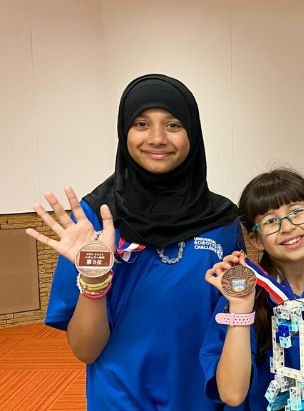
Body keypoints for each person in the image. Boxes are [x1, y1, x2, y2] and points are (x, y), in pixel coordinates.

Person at [25, 74, 241, 410]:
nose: (156, 138)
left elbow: (231, 323)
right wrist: (94, 278)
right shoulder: (94, 219)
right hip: (119, 397)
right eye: (141, 123)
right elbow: (85, 350)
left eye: (173, 125)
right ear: (124, 131)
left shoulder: (222, 222)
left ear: (193, 135)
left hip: (199, 395)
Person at [200, 168, 304, 411]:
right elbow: (232, 394)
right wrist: (241, 307)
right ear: (256, 239)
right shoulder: (241, 300)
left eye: (296, 212)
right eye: (270, 221)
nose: (287, 227)